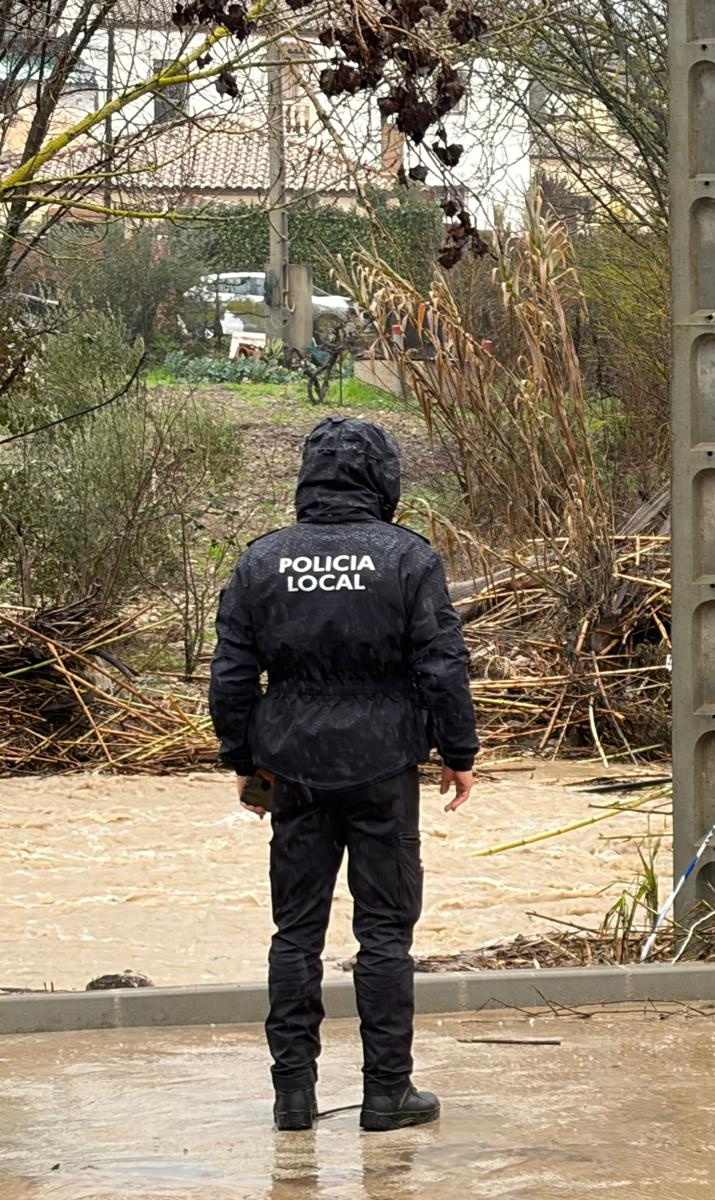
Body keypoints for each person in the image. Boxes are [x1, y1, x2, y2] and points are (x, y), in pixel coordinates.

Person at [209, 417, 479, 1134]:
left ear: (308, 477)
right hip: (383, 766)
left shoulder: (262, 560)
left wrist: (243, 762)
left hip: (287, 765)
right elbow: (442, 664)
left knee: (295, 932)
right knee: (385, 933)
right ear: (383, 479)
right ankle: (387, 1094)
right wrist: (458, 752)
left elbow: (231, 673)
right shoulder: (407, 558)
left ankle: (292, 1097)